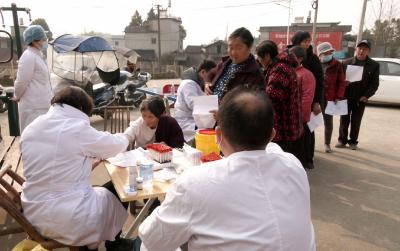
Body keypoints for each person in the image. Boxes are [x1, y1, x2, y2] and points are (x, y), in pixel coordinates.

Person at [138, 87, 315, 251]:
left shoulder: (195, 182)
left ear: (219, 135)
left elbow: (152, 240)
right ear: (272, 135)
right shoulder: (293, 165)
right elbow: (270, 149)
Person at [21, 86, 133, 250]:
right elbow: (114, 145)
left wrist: (86, 165)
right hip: (65, 217)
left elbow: (53, 165)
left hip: (33, 211)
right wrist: (129, 134)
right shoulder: (75, 128)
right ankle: (114, 244)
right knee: (119, 190)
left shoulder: (33, 127)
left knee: (98, 191)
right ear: (81, 108)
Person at [256, 40, 303, 163]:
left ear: (266, 56)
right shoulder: (280, 66)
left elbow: (271, 97)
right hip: (287, 125)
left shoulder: (280, 69)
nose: (259, 62)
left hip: (284, 127)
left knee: (282, 163)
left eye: (260, 58)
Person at [337, 40, 379, 150]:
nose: (361, 51)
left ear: (368, 51)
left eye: (364, 49)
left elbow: (374, 84)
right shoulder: (346, 63)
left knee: (356, 121)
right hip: (346, 97)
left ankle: (353, 142)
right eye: (360, 48)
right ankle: (342, 140)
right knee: (344, 120)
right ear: (356, 49)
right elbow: (339, 80)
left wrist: (366, 95)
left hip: (360, 98)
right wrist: (340, 92)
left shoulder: (374, 65)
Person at [291, 31, 324, 169]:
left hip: (310, 99)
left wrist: (317, 102)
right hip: (294, 103)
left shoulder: (313, 59)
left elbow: (320, 82)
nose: (306, 43)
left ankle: (308, 158)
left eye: (308, 41)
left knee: (308, 130)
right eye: (304, 41)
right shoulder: (289, 54)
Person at [204, 27, 264, 101]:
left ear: (250, 47)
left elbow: (255, 107)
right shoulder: (225, 63)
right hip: (210, 108)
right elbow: (211, 73)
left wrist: (225, 112)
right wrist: (207, 83)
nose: (233, 52)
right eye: (230, 47)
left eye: (238, 48)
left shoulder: (255, 75)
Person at [13, 25, 53, 132]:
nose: (45, 41)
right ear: (34, 41)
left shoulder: (38, 55)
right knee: (32, 138)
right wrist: (17, 95)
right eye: (43, 38)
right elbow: (21, 82)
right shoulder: (28, 56)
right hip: (33, 107)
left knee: (43, 139)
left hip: (42, 105)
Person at [175, 60, 217, 142]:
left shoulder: (197, 84)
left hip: (193, 120)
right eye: (211, 75)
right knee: (211, 131)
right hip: (186, 123)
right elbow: (193, 104)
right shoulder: (188, 84)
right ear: (203, 72)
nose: (213, 77)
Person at [316, 42, 347, 153]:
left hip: (329, 98)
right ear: (320, 54)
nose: (329, 54)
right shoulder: (315, 64)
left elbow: (341, 82)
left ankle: (327, 143)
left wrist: (339, 96)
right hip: (316, 98)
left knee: (328, 122)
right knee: (311, 121)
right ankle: (309, 143)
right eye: (325, 52)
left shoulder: (337, 64)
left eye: (330, 52)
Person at [290, 46, 316, 167]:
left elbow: (307, 98)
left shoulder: (306, 75)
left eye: (292, 57)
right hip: (291, 116)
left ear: (300, 59)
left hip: (300, 116)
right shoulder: (290, 72)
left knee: (303, 143)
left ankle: (304, 164)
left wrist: (300, 115)